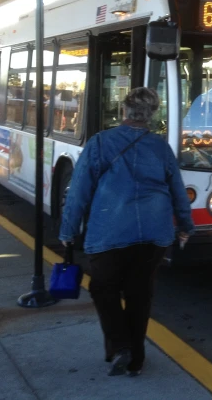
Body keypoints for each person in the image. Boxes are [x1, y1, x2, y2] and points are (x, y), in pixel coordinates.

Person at [59, 87, 194, 377]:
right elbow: (177, 191)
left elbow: (78, 191)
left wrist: (68, 229)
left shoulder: (99, 143)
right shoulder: (161, 147)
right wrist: (185, 226)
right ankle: (135, 360)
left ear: (123, 111)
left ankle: (120, 346)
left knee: (102, 288)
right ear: (152, 116)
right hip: (155, 232)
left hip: (110, 230)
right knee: (139, 293)